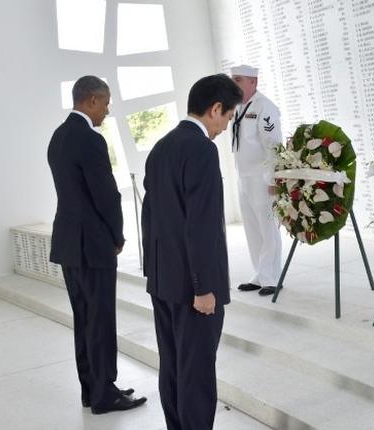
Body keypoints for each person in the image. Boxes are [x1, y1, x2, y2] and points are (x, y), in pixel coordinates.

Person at [141, 74, 242, 429]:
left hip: (163, 279)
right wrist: (203, 287)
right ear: (215, 109)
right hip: (192, 287)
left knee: (172, 366)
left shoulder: (161, 146)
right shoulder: (201, 149)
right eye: (228, 117)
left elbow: (149, 217)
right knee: (197, 373)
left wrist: (151, 271)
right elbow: (200, 226)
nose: (226, 125)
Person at [48, 76, 147, 413]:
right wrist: (117, 236)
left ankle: (92, 389)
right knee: (101, 319)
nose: (107, 110)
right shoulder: (90, 139)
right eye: (105, 103)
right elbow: (105, 195)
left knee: (84, 319)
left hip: (68, 242)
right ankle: (105, 395)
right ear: (90, 100)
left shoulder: (58, 136)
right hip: (92, 244)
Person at [230, 65, 283, 296]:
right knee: (251, 226)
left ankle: (272, 277)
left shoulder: (265, 107)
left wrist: (273, 178)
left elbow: (273, 145)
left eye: (238, 80)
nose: (234, 84)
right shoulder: (239, 106)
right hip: (244, 177)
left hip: (262, 178)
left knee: (267, 227)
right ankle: (259, 274)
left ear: (253, 82)